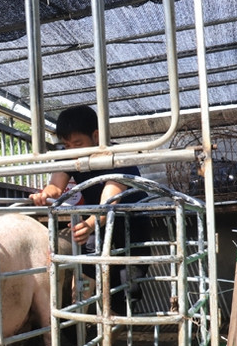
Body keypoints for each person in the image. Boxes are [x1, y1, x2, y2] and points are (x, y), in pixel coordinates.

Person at [30, 105, 149, 314]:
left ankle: (117, 328)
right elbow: (56, 186)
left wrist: (90, 224)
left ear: (96, 136)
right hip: (98, 222)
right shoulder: (70, 156)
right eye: (67, 145)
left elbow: (109, 200)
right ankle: (82, 325)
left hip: (131, 224)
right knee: (87, 266)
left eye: (78, 143)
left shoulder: (119, 157)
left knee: (127, 284)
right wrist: (45, 194)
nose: (73, 150)